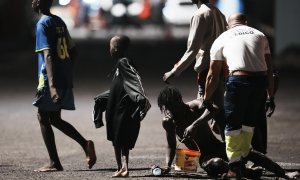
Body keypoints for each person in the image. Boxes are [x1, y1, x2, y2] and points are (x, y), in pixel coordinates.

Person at [157, 86, 299, 179]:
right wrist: (168, 166)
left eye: (173, 105)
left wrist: (195, 124)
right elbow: (170, 145)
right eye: (167, 107)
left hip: (219, 146)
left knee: (249, 152)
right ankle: (247, 173)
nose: (171, 110)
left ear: (179, 100)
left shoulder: (193, 106)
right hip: (204, 157)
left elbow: (214, 108)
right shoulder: (168, 122)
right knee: (217, 164)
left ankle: (285, 174)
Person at [202, 12, 275, 179]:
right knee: (249, 124)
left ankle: (235, 168)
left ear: (228, 25)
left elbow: (212, 75)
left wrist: (207, 99)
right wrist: (271, 97)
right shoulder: (260, 34)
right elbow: (270, 70)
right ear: (245, 22)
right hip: (260, 82)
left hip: (238, 81)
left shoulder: (222, 38)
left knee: (232, 126)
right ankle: (242, 161)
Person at [32, 0, 96, 172]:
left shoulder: (42, 24)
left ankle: (55, 162)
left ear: (38, 2)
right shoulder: (58, 21)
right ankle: (85, 144)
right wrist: (68, 71)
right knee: (54, 118)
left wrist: (51, 87)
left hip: (49, 79)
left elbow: (48, 56)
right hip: (62, 77)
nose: (31, 1)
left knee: (43, 117)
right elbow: (73, 50)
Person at [162, 0, 227, 137]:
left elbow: (193, 49)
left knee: (208, 109)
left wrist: (174, 71)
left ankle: (228, 152)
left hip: (206, 67)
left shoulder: (200, 14)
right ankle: (220, 149)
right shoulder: (219, 13)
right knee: (213, 109)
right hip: (220, 64)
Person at [103, 35, 151, 177]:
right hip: (114, 105)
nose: (109, 49)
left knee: (121, 137)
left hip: (123, 106)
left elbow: (135, 81)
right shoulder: (119, 64)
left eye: (110, 47)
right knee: (115, 137)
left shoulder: (125, 62)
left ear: (116, 49)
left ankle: (125, 167)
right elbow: (119, 85)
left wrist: (141, 99)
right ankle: (119, 167)